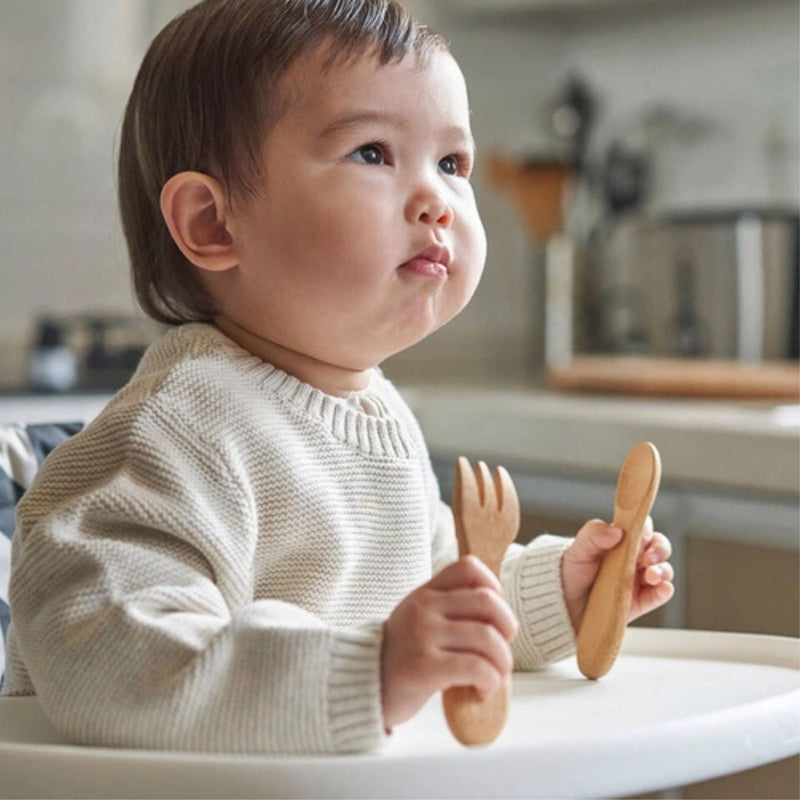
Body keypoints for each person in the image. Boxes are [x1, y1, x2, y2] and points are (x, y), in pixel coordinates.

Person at [2, 0, 674, 755]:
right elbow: (112, 654)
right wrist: (371, 669)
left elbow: (425, 594)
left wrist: (555, 595)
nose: (438, 202)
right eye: (373, 153)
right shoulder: (179, 425)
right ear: (213, 224)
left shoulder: (375, 410)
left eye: (452, 163)